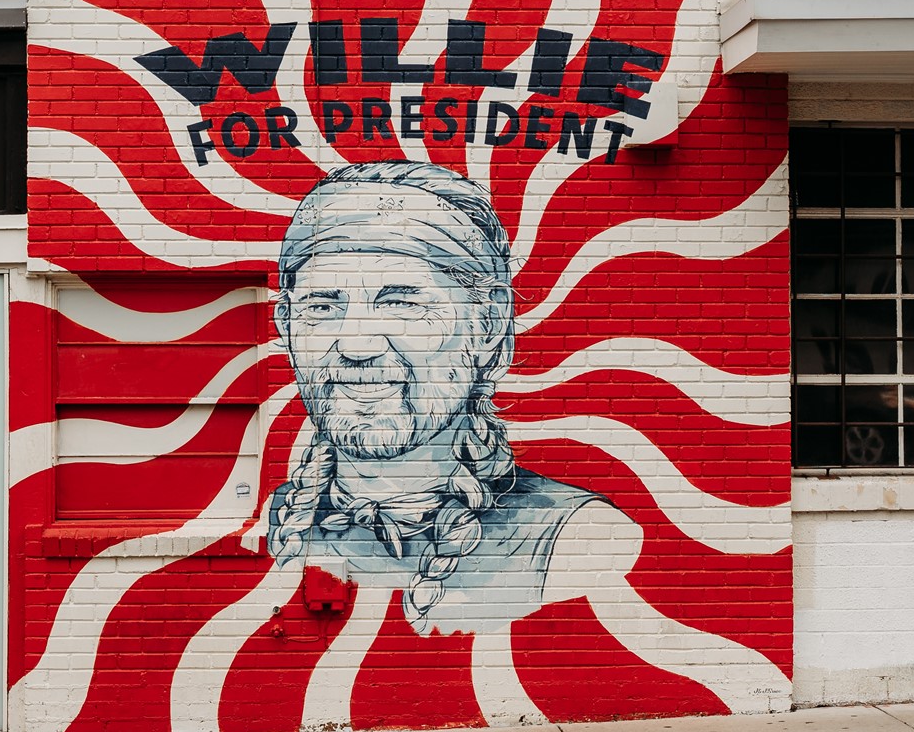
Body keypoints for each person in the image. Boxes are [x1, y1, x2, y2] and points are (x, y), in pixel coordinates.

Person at [265, 160, 637, 635]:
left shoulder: (574, 538)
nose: (357, 345)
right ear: (286, 324)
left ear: (489, 322)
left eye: (401, 303)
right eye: (322, 307)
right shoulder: (279, 516)